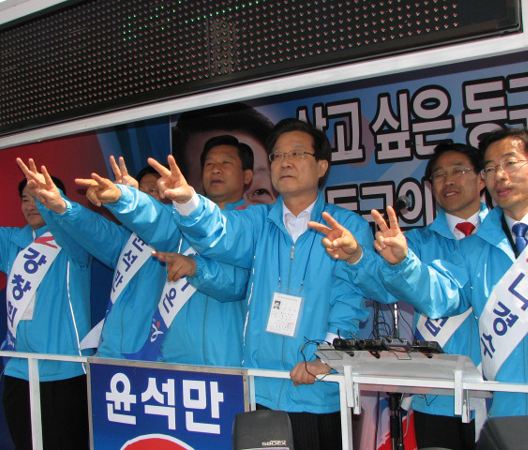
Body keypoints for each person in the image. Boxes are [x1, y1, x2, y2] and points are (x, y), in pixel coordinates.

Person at [148, 118, 383, 450]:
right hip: (261, 389)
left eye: (296, 153)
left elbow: (350, 301)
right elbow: (220, 230)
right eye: (277, 156)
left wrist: (327, 358)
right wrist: (188, 201)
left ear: (321, 166)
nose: (284, 162)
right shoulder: (258, 221)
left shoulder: (345, 226)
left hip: (316, 387)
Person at [314, 127, 528, 419]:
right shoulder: (463, 248)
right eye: (492, 167)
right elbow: (439, 294)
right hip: (470, 401)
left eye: (510, 163)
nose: (500, 175)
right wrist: (375, 258)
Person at [19, 143, 251, 367]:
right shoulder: (160, 229)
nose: (215, 169)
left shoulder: (252, 225)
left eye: (226, 162)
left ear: (247, 175)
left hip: (222, 365)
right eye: (209, 163)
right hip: (153, 362)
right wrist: (64, 206)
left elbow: (236, 284)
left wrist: (195, 267)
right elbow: (98, 231)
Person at [0, 174, 91, 449]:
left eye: (40, 198)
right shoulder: (14, 242)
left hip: (66, 372)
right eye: (26, 199)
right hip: (19, 372)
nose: (31, 205)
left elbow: (82, 225)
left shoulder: (75, 243)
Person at [404, 143, 487, 450]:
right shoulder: (414, 243)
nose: (448, 180)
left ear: (482, 178)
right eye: (439, 175)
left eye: (458, 171)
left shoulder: (506, 236)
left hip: (500, 392)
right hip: (436, 394)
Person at [171, 102, 278, 205]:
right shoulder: (183, 213)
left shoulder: (266, 214)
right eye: (210, 164)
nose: (216, 169)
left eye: (260, 192)